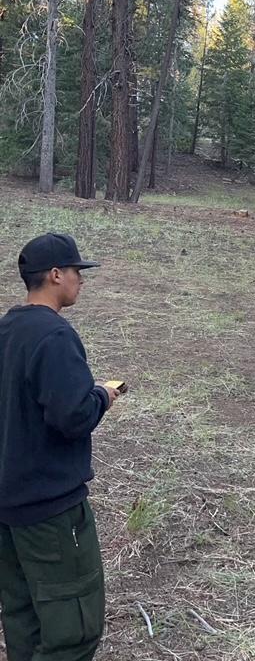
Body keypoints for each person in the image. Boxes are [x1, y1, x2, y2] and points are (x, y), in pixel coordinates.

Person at [0, 234, 115, 661]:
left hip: (9, 506)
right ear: (54, 275)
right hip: (51, 512)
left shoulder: (7, 329)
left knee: (23, 616)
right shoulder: (54, 337)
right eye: (76, 272)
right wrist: (102, 395)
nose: (80, 281)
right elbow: (73, 417)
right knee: (74, 630)